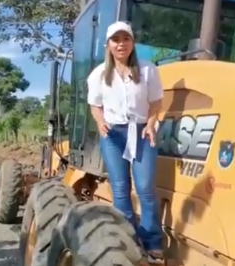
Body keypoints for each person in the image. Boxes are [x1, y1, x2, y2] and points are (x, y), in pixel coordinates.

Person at [87, 21, 164, 264]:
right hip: (113, 134)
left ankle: (153, 242)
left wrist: (152, 123)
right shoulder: (98, 74)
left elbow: (156, 103)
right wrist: (100, 122)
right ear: (108, 45)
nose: (121, 44)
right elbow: (95, 105)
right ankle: (127, 237)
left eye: (126, 39)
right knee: (120, 188)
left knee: (145, 188)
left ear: (132, 42)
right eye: (116, 40)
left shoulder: (148, 70)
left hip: (142, 132)